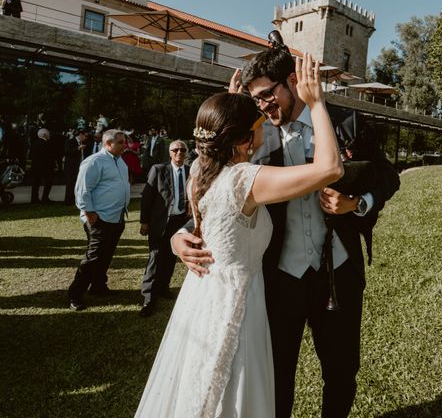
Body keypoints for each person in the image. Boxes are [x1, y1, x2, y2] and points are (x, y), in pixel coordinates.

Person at [170, 44, 399, 418]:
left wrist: (356, 204)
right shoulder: (252, 136)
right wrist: (179, 235)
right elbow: (219, 188)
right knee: (275, 375)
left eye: (267, 95)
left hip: (338, 271)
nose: (262, 106)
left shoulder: (346, 123)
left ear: (292, 81)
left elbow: (387, 177)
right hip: (278, 277)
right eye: (254, 99)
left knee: (342, 371)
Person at [136, 53, 344, 416]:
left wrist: (230, 105)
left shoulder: (202, 170)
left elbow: (207, 217)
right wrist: (317, 102)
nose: (264, 118)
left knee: (201, 382)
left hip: (202, 296)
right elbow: (329, 168)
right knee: (232, 388)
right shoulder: (245, 180)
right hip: (239, 299)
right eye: (256, 118)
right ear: (246, 137)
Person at [68, 130, 130, 311]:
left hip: (116, 217)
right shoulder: (94, 161)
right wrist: (89, 212)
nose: (124, 145)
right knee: (93, 257)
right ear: (107, 144)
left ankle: (98, 286)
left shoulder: (119, 160)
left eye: (124, 142)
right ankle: (75, 294)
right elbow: (82, 190)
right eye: (120, 142)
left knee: (106, 254)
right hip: (100, 218)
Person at [138, 140, 190, 317]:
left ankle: (163, 288)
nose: (179, 153)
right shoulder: (158, 170)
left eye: (182, 150)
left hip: (180, 222)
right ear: (170, 153)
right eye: (175, 150)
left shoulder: (191, 171)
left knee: (170, 257)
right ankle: (148, 298)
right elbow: (147, 196)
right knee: (155, 258)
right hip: (160, 222)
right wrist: (144, 221)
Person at [63, 129, 89, 205]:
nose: (86, 137)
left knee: (77, 184)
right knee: (70, 184)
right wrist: (78, 148)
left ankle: (75, 200)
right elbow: (67, 151)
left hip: (79, 167)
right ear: (81, 134)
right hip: (71, 167)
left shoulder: (82, 143)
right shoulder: (70, 141)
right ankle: (68, 201)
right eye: (85, 135)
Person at [30, 128, 55, 203]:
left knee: (36, 183)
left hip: (36, 166)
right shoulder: (47, 144)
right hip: (46, 167)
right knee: (48, 181)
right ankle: (45, 197)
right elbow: (49, 156)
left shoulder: (34, 143)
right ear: (44, 135)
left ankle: (34, 198)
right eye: (48, 134)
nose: (49, 135)